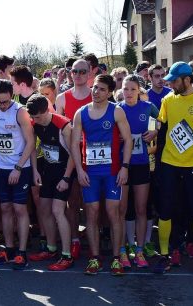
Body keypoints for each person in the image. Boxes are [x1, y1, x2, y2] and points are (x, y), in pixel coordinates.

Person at [71, 74, 132, 275]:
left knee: (113, 213)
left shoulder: (116, 111)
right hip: (90, 174)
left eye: (102, 89)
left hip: (112, 172)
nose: (97, 92)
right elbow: (74, 143)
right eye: (95, 88)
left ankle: (116, 258)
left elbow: (128, 140)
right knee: (92, 213)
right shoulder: (81, 113)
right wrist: (79, 170)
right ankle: (95, 258)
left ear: (109, 93)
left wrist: (124, 167)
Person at [0, 79, 35, 270]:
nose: (2, 106)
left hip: (20, 167)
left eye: (5, 102)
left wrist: (19, 167)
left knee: (20, 209)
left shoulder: (20, 111)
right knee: (5, 208)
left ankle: (22, 252)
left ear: (11, 96)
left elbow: (31, 142)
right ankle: (9, 248)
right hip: (1, 168)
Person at [153, 62, 193, 274]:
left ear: (187, 79)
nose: (170, 84)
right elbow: (160, 124)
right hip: (170, 163)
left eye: (174, 80)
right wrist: (152, 132)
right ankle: (164, 254)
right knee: (166, 210)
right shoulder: (168, 99)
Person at [27, 94, 74, 271]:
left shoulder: (63, 124)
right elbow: (32, 147)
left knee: (57, 211)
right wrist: (35, 170)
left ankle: (66, 255)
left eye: (38, 117)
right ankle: (51, 248)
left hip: (63, 172)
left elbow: (73, 154)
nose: (34, 120)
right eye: (32, 117)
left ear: (47, 111)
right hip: (47, 171)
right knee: (44, 209)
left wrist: (66, 178)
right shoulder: (34, 123)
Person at [118, 75, 159, 269]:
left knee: (141, 209)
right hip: (123, 165)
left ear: (139, 90)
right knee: (123, 209)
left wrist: (154, 132)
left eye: (132, 89)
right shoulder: (117, 109)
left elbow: (156, 126)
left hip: (142, 163)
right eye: (125, 89)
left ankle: (140, 250)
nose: (128, 93)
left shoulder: (148, 107)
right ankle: (125, 248)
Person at [56, 59, 92, 259]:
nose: (77, 74)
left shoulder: (97, 96)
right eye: (73, 71)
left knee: (92, 203)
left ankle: (92, 236)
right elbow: (57, 129)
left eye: (81, 71)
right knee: (72, 201)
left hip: (93, 157)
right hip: (69, 156)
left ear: (89, 74)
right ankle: (75, 239)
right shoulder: (62, 98)